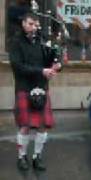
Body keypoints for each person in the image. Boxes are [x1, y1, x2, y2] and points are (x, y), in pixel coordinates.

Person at [9, 13, 62, 171]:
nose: (34, 27)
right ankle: (22, 157)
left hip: (42, 87)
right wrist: (42, 71)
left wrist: (56, 64)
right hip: (25, 87)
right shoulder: (16, 42)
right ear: (23, 23)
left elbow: (50, 58)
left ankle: (37, 156)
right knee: (25, 126)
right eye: (30, 24)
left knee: (43, 126)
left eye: (36, 25)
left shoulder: (42, 40)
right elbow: (18, 67)